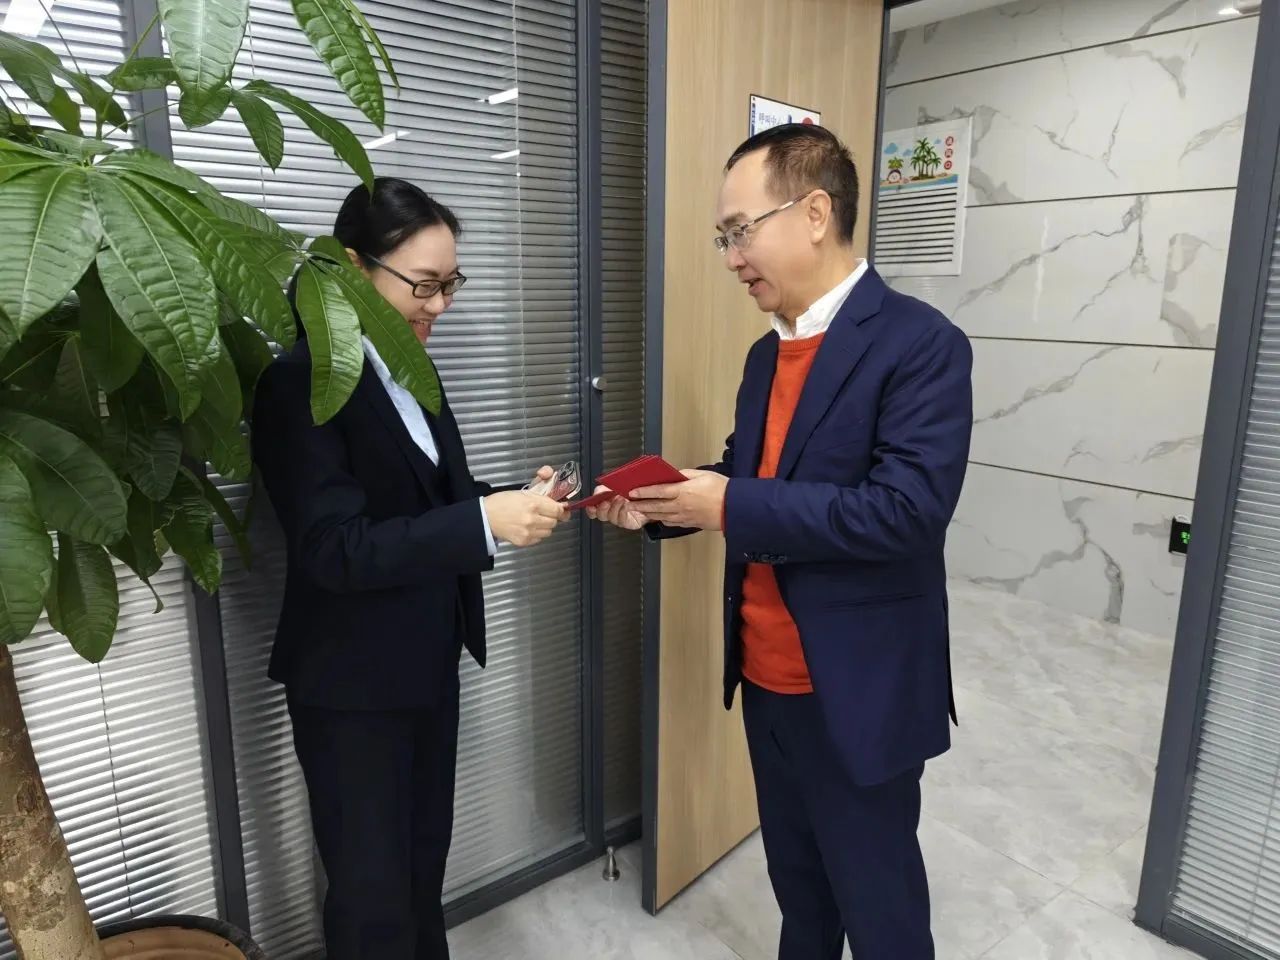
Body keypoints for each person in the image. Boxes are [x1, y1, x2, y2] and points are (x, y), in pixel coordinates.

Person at [589, 124, 973, 959]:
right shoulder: (766, 357)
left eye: (740, 231)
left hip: (857, 687)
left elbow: (906, 512)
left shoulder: (921, 344)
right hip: (765, 677)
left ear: (815, 213)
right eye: (723, 238)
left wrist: (729, 502)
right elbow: (745, 475)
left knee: (881, 913)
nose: (732, 258)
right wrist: (659, 505)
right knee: (800, 894)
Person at [251, 177, 566, 960]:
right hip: (350, 689)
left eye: (450, 284)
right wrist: (481, 524)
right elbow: (333, 547)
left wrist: (510, 501)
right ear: (355, 269)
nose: (440, 305)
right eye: (424, 285)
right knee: (372, 900)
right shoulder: (301, 382)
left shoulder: (411, 371)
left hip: (426, 665)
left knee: (422, 873)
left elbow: (433, 500)